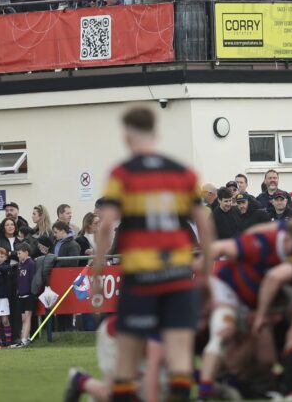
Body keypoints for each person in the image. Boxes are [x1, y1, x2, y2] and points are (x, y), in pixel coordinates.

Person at [91, 107, 215, 402]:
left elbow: (107, 224)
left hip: (140, 278)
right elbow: (204, 224)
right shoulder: (183, 172)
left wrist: (96, 272)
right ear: (156, 135)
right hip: (178, 275)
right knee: (180, 359)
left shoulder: (121, 174)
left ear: (126, 136)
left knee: (127, 362)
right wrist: (207, 271)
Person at [13, 245, 36, 347]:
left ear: (26, 253)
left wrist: (32, 292)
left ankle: (24, 339)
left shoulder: (31, 264)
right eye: (17, 253)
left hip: (29, 295)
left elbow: (32, 279)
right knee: (23, 319)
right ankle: (24, 338)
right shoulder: (19, 265)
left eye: (20, 253)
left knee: (27, 318)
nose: (18, 255)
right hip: (21, 295)